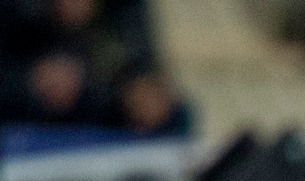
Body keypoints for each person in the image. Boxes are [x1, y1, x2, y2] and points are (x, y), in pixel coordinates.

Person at [0, 0, 186, 135]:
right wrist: (29, 81)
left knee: (178, 114)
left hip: (98, 108)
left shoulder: (122, 9)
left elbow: (140, 60)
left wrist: (140, 88)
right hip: (21, 115)